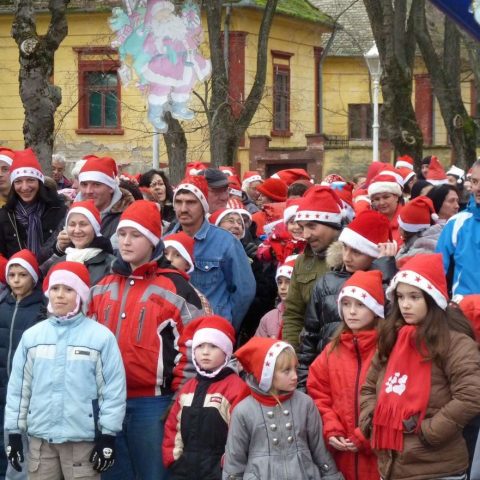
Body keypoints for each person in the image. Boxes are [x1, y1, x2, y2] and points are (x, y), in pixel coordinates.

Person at [89, 200, 203, 480]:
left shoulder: (176, 287)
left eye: (135, 235)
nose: (126, 242)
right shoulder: (103, 285)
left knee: (154, 474)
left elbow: (193, 349)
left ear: (153, 240)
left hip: (154, 404)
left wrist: (178, 400)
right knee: (113, 474)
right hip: (105, 400)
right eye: (123, 234)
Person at [359, 254, 480, 480]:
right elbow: (368, 387)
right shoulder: (392, 337)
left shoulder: (455, 342)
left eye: (414, 297)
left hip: (438, 469)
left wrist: (428, 432)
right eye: (401, 296)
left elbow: (471, 396)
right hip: (391, 466)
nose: (405, 304)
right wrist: (370, 421)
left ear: (432, 298)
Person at [4, 261, 126, 478]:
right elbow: (18, 388)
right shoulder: (33, 337)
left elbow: (112, 390)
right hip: (41, 442)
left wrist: (108, 435)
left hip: (81, 442)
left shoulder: (100, 337)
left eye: (69, 289)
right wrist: (13, 432)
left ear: (81, 296)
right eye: (55, 288)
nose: (60, 295)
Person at [298, 210, 397, 389]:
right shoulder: (327, 282)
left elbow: (392, 323)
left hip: (370, 382)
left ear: (375, 254)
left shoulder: (390, 285)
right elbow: (309, 338)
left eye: (357, 252)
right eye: (344, 247)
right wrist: (304, 386)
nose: (346, 257)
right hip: (329, 377)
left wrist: (385, 273)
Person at [222, 337, 343, 480]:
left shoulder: (305, 404)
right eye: (286, 371)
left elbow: (320, 450)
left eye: (295, 369)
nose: (295, 376)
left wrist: (332, 476)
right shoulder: (243, 411)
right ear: (267, 374)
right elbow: (235, 460)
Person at [307, 270, 384, 480]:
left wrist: (365, 436)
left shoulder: (387, 350)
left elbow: (390, 402)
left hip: (378, 457)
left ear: (376, 309)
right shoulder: (332, 350)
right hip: (340, 456)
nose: (352, 312)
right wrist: (331, 428)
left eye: (360, 305)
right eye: (347, 304)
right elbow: (318, 394)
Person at [162, 315, 249, 479]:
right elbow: (173, 428)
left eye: (213, 346)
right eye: (200, 346)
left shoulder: (237, 389)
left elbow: (241, 436)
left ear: (226, 352)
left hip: (220, 472)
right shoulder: (188, 389)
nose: (205, 352)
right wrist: (174, 460)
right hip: (185, 471)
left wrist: (228, 468)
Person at [170, 176, 255, 331]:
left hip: (212, 334)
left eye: (190, 202)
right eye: (179, 202)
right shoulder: (166, 242)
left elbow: (244, 291)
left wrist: (226, 325)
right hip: (176, 332)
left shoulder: (226, 242)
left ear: (203, 205)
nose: (183, 209)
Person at [0, 250, 47, 479]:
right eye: (12, 274)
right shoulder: (2, 305)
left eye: (22, 275)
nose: (16, 280)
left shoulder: (43, 310)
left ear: (33, 278)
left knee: (19, 455)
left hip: (25, 394)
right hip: (1, 387)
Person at [282, 186, 343, 350]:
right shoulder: (302, 262)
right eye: (302, 227)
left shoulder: (354, 258)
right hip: (310, 355)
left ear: (333, 225)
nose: (306, 234)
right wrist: (291, 352)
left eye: (312, 226)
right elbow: (294, 313)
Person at [0, 148, 67, 262]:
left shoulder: (58, 210)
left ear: (39, 182)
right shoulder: (5, 216)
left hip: (53, 276)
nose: (25, 187)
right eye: (18, 181)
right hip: (15, 278)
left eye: (30, 180)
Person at [40, 200, 115, 285]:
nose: (77, 230)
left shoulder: (110, 265)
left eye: (83, 224)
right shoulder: (59, 263)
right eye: (72, 224)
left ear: (95, 228)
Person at [436, 159, 480, 296]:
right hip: (464, 310)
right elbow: (438, 272)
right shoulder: (456, 223)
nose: (478, 188)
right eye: (475, 182)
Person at [76, 156, 134, 242]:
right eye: (84, 184)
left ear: (111, 188)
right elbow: (49, 250)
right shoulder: (72, 212)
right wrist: (58, 248)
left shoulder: (127, 218)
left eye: (96, 184)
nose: (88, 191)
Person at [163, 231, 213, 314]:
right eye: (165, 253)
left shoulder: (196, 297)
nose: (169, 259)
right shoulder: (148, 284)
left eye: (177, 255)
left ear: (187, 264)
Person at [255, 256, 296, 338]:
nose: (282, 287)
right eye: (280, 282)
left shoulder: (309, 316)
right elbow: (259, 347)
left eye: (288, 282)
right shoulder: (269, 318)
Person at [395, 196, 442, 267]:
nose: (398, 228)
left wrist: (387, 259)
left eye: (400, 225)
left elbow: (400, 271)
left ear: (405, 230)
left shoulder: (422, 250)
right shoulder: (431, 239)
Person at [368, 173, 404, 245]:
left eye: (386, 197)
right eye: (377, 199)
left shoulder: (408, 219)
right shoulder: (371, 222)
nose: (381, 202)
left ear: (396, 197)